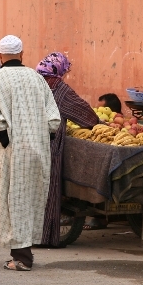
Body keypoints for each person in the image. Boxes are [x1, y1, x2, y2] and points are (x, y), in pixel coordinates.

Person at [0, 35, 61, 271]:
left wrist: (8, 141)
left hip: (9, 152)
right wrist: (40, 140)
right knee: (30, 199)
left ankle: (22, 258)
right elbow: (53, 119)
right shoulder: (38, 79)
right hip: (36, 150)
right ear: (22, 54)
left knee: (11, 200)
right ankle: (23, 253)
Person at [35, 52, 100, 246]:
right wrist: (99, 124)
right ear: (59, 69)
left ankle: (27, 235)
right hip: (48, 144)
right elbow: (84, 113)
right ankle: (45, 237)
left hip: (25, 141)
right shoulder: (59, 89)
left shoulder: (31, 82)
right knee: (48, 189)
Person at [84, 92, 123, 231]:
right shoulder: (97, 125)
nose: (98, 111)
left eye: (101, 109)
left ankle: (101, 217)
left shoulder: (119, 125)